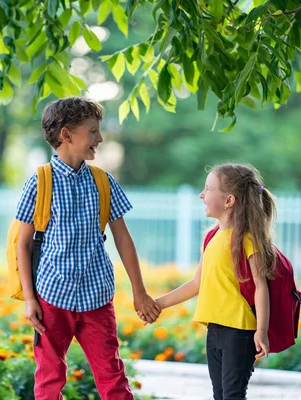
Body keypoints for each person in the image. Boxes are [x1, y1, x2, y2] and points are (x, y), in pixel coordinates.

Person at [15, 97, 161, 400]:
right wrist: (30, 299)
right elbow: (23, 243)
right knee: (49, 378)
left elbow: (123, 239)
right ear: (66, 135)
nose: (100, 138)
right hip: (52, 298)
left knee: (113, 377)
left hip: (97, 297)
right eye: (93, 131)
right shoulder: (40, 182)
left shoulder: (103, 182)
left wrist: (139, 291)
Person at [145, 163, 277, 400]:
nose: (201, 194)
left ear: (229, 201)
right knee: (220, 395)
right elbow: (196, 284)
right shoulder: (211, 237)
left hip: (239, 330)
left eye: (208, 189)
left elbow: (260, 286)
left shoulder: (247, 239)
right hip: (214, 330)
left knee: (233, 395)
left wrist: (262, 330)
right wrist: (158, 304)